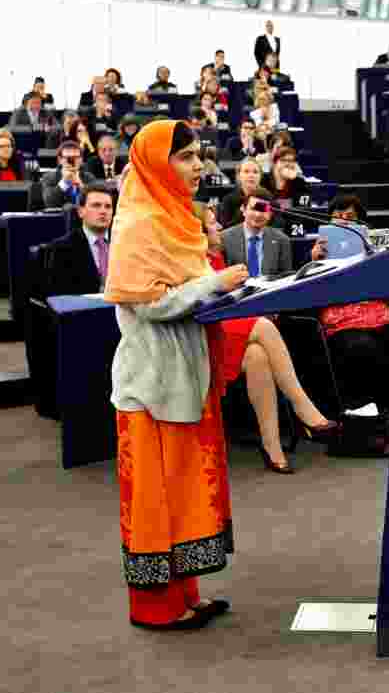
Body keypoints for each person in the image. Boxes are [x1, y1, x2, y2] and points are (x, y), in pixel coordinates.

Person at [103, 119, 246, 631]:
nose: (196, 167)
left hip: (185, 372)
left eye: (197, 156)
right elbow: (151, 305)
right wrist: (213, 283)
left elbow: (187, 289)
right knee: (154, 497)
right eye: (184, 157)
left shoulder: (178, 217)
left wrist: (220, 287)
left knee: (182, 490)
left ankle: (186, 593)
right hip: (151, 382)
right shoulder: (139, 222)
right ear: (156, 164)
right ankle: (155, 607)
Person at [202, 209, 337, 473]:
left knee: (257, 357)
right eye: (211, 222)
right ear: (197, 231)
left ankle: (272, 446)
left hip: (223, 326)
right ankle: (303, 408)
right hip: (202, 334)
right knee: (263, 326)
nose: (218, 225)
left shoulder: (215, 255)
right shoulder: (189, 257)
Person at [309, 195, 389, 430]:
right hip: (341, 316)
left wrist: (378, 257)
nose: (343, 221)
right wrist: (314, 261)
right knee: (360, 345)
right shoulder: (320, 249)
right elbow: (310, 289)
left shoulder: (372, 243)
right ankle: (364, 411)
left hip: (374, 310)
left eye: (349, 217)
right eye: (337, 216)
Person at [45, 183, 114, 295]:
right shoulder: (61, 248)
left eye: (108, 206)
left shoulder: (125, 244)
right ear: (80, 212)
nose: (103, 211)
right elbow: (61, 298)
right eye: (96, 205)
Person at [221, 186, 293, 277]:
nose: (258, 214)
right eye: (253, 208)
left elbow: (286, 279)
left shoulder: (281, 240)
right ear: (243, 209)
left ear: (270, 214)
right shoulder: (224, 238)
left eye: (263, 210)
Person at [41, 140, 98, 208]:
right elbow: (49, 203)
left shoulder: (89, 178)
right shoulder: (49, 178)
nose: (72, 161)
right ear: (60, 160)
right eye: (68, 158)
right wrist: (64, 182)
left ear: (81, 159)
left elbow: (95, 202)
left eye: (76, 157)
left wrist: (80, 185)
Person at [260, 147, 311, 212]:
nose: (288, 164)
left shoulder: (300, 183)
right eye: (284, 160)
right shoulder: (263, 180)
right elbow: (260, 207)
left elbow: (304, 210)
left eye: (292, 161)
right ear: (275, 163)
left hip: (292, 220)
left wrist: (298, 182)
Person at [218, 158, 262, 227]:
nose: (251, 175)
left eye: (255, 172)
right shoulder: (228, 200)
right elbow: (226, 227)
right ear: (239, 176)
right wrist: (242, 211)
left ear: (260, 176)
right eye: (246, 172)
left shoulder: (266, 198)